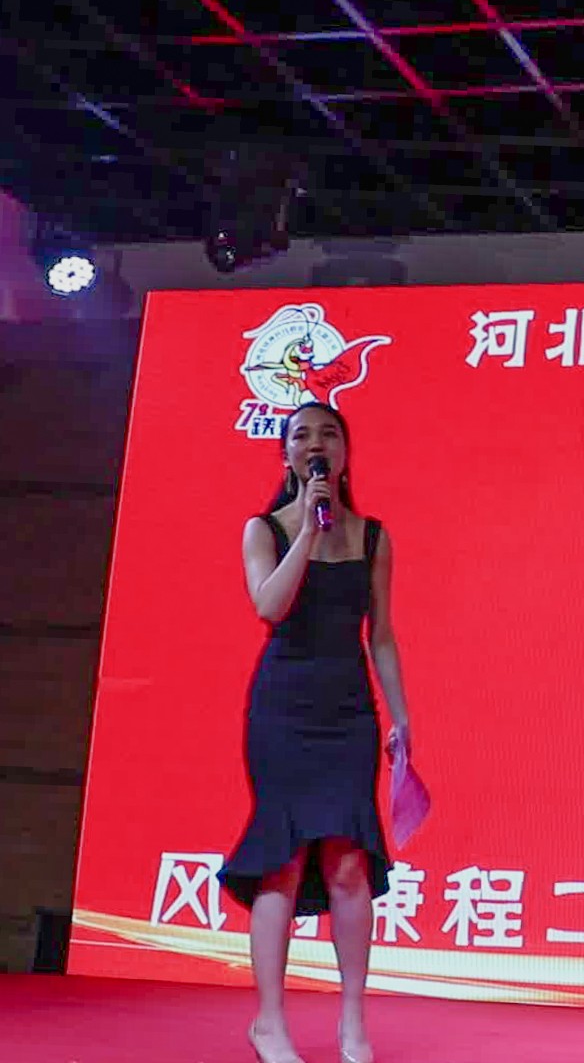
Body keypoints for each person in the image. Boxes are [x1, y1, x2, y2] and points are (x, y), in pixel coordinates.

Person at [220, 401, 411, 1063]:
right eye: (301, 435)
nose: (315, 443)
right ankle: (269, 1024)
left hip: (349, 711)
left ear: (345, 453)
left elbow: (381, 636)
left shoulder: (373, 536)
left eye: (328, 434)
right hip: (283, 708)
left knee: (350, 862)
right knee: (283, 859)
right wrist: (307, 529)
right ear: (287, 456)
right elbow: (269, 606)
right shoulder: (264, 529)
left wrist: (401, 717)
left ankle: (353, 1022)